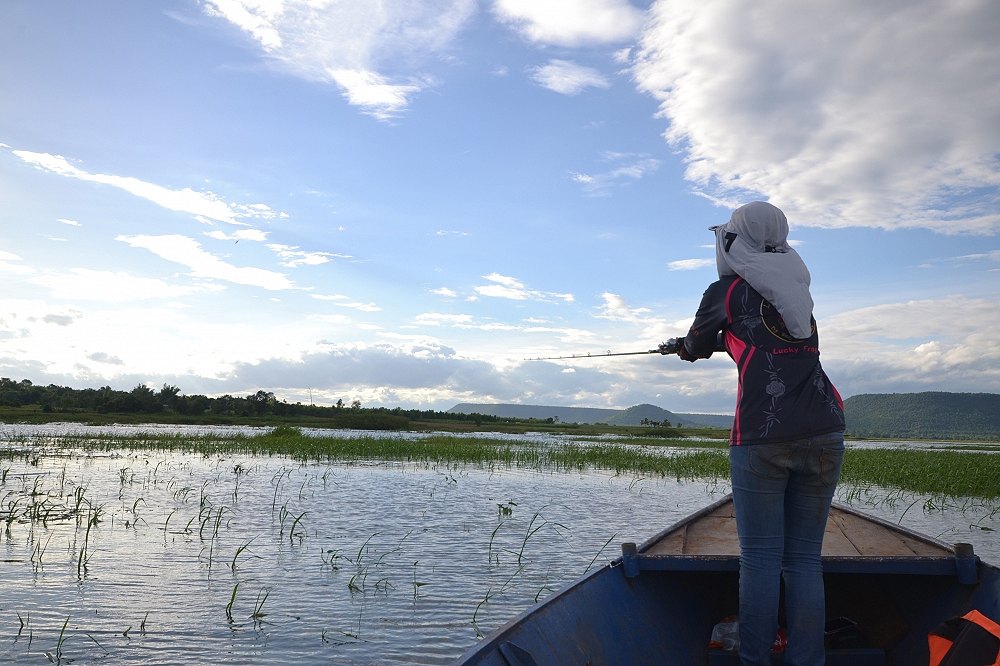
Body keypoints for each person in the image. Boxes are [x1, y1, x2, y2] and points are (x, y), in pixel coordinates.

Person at [676, 201, 846, 666]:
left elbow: (695, 344)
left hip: (761, 439)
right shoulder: (798, 294)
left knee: (761, 560)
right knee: (804, 562)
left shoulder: (725, 292)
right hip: (826, 432)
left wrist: (685, 348)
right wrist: (715, 342)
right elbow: (764, 337)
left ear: (732, 242)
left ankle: (754, 660)